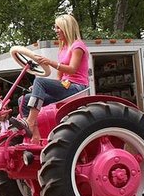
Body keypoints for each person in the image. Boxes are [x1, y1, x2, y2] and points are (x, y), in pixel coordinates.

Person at [11, 14, 89, 143]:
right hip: (66, 85)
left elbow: (72, 69)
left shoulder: (77, 46)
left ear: (67, 28)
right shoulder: (63, 48)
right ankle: (34, 135)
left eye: (58, 28)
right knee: (23, 99)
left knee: (40, 81)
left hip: (77, 87)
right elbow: (61, 75)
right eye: (55, 28)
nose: (56, 31)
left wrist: (50, 62)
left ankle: (29, 121)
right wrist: (39, 89)